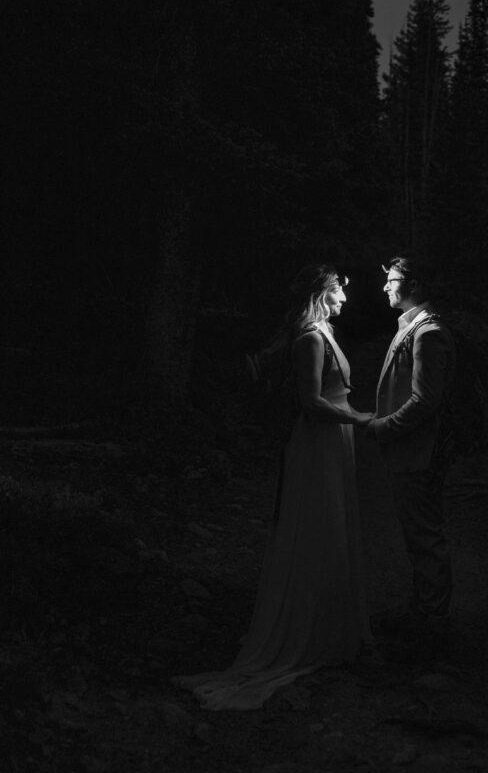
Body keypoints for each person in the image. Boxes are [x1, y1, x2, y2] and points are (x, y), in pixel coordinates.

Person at [172, 264, 373, 710]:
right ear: (322, 293)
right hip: (318, 442)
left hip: (331, 442)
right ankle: (308, 632)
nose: (345, 295)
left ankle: (331, 628)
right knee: (317, 526)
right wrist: (358, 418)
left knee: (333, 525)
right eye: (339, 289)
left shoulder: (321, 333)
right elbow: (311, 401)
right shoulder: (309, 339)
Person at [365, 255, 456, 656]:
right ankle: (424, 615)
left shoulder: (428, 333)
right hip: (410, 451)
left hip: (418, 453)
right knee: (418, 533)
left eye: (393, 279)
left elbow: (424, 401)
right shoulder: (412, 327)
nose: (386, 285)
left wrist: (383, 427)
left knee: (424, 536)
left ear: (415, 285)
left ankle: (432, 627)